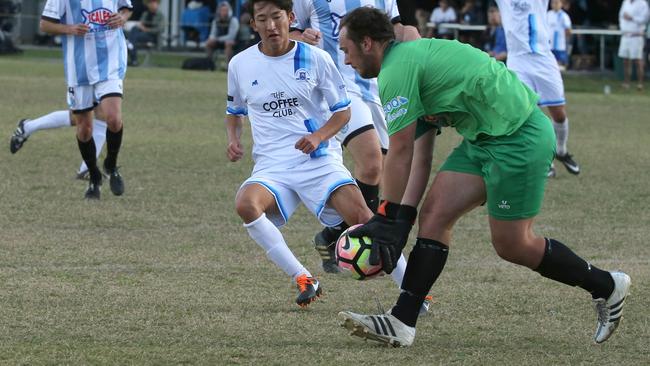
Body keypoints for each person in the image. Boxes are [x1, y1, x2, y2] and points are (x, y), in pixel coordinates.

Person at [336, 7, 631, 347]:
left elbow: (399, 152)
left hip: (520, 138)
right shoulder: (406, 61)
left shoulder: (396, 70)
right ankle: (402, 322)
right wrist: (401, 219)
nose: (346, 60)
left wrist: (386, 214)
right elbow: (420, 155)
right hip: (484, 139)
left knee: (513, 244)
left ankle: (608, 286)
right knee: (433, 216)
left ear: (368, 43)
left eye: (346, 50)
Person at [227, 0, 376, 307]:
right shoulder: (239, 64)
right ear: (253, 24)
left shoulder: (316, 58)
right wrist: (234, 138)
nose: (271, 26)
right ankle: (304, 278)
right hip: (273, 167)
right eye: (262, 19)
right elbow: (234, 110)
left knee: (363, 219)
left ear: (290, 18)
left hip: (318, 161)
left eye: (277, 17)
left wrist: (318, 137)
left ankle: (415, 289)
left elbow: (343, 112)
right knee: (246, 204)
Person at [290, 0, 434, 276]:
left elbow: (397, 28)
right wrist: (302, 36)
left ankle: (334, 234)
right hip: (337, 89)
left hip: (379, 84)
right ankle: (368, 245)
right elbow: (289, 31)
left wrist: (420, 45)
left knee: (378, 171)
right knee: (371, 162)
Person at [40, 0, 131, 199]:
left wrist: (121, 18)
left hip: (111, 62)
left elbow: (126, 8)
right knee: (84, 129)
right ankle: (94, 177)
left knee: (113, 119)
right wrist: (70, 28)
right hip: (78, 66)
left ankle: (111, 164)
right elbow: (45, 24)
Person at [495, 0, 579, 178]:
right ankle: (542, 160)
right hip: (518, 60)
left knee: (559, 113)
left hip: (544, 59)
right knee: (527, 114)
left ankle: (561, 151)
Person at [9, 110, 108, 179]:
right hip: (81, 79)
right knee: (79, 116)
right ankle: (27, 127)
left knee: (102, 115)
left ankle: (86, 169)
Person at [618, 0, 649, 91]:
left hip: (636, 36)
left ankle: (640, 84)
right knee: (625, 61)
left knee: (638, 61)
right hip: (625, 35)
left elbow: (645, 19)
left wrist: (632, 18)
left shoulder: (642, 3)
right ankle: (626, 83)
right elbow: (621, 15)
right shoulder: (625, 2)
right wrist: (623, 27)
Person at [127, 0, 164, 66]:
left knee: (133, 38)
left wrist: (147, 30)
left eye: (154, 3)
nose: (152, 5)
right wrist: (141, 26)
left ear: (157, 4)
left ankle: (132, 53)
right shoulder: (145, 13)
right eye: (150, 3)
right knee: (134, 29)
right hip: (142, 34)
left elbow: (160, 29)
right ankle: (132, 54)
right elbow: (141, 23)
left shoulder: (160, 15)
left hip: (152, 36)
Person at [205, 1, 239, 66]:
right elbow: (212, 34)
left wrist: (217, 39)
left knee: (228, 43)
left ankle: (228, 66)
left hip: (233, 42)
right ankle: (209, 64)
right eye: (222, 10)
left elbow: (231, 36)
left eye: (226, 10)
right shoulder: (215, 21)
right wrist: (212, 39)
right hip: (219, 41)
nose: (224, 13)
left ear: (229, 11)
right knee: (208, 43)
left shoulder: (233, 20)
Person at [547, 0, 572, 69]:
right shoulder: (548, 14)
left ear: (561, 4)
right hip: (549, 43)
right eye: (553, 3)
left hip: (560, 43)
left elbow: (568, 29)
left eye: (557, 3)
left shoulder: (564, 16)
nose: (555, 5)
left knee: (560, 62)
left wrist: (567, 40)